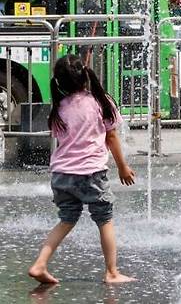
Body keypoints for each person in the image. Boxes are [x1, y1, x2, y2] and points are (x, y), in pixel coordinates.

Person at [28, 54, 136, 284]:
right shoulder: (101, 102)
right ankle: (112, 272)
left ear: (58, 82)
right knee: (104, 218)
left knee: (66, 219)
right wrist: (123, 167)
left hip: (61, 174)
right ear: (86, 75)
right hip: (90, 173)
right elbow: (112, 136)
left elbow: (62, 139)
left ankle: (40, 263)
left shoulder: (59, 108)